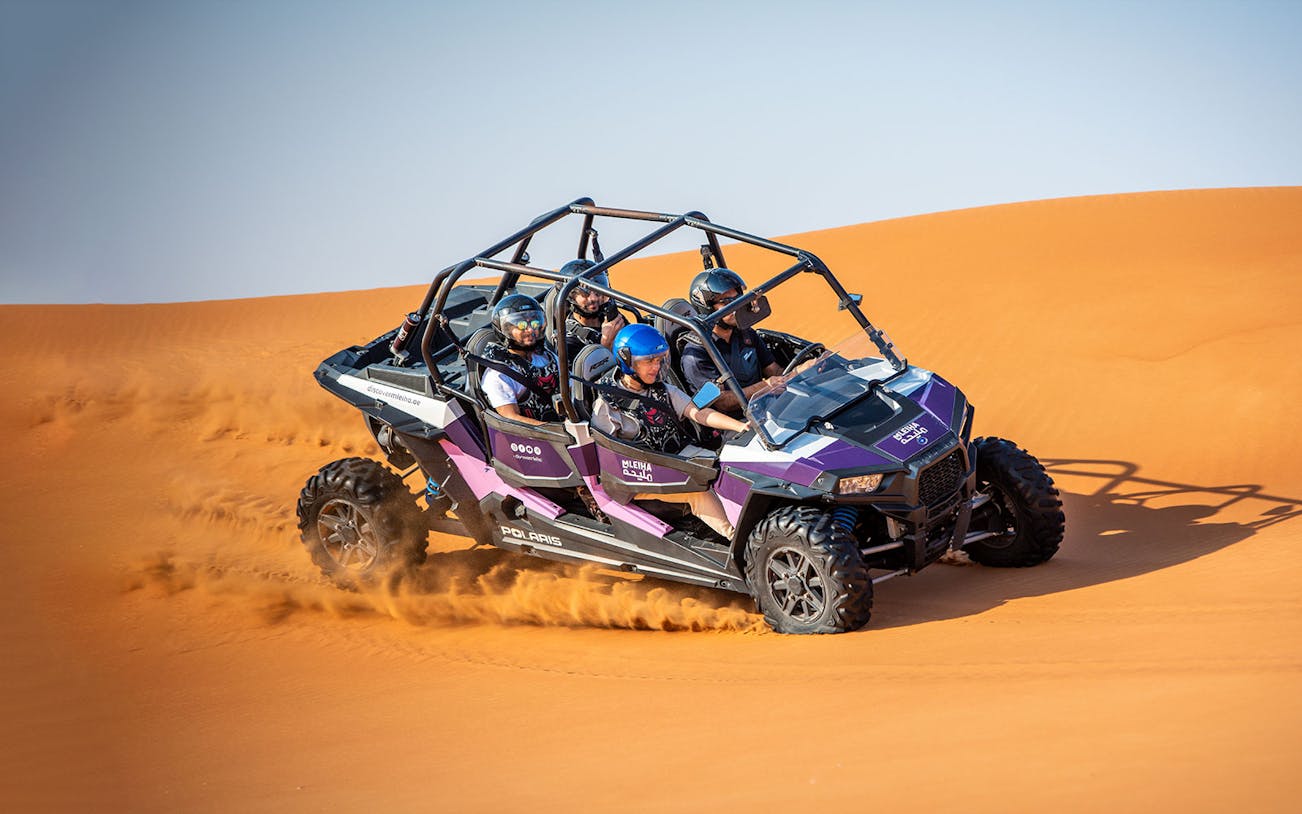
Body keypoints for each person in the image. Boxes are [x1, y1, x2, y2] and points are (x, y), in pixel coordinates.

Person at [591, 324, 748, 540]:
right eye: (648, 361)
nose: (656, 367)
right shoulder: (607, 405)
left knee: (725, 468)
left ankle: (749, 521)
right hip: (637, 477)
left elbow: (698, 413)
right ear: (627, 360)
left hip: (673, 459)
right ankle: (739, 542)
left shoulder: (661, 389)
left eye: (659, 359)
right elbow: (609, 458)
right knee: (698, 491)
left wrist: (740, 426)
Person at [680, 268, 786, 417]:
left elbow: (773, 370)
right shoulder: (696, 355)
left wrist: (804, 371)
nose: (736, 307)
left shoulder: (745, 333)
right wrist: (767, 386)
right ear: (708, 307)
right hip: (737, 427)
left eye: (737, 299)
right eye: (727, 302)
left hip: (766, 408)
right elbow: (723, 402)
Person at [478, 294, 562, 425]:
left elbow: (572, 392)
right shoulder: (499, 374)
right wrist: (559, 432)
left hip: (566, 427)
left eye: (534, 323)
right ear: (506, 330)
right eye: (521, 325)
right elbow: (511, 419)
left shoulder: (548, 357)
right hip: (536, 439)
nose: (530, 329)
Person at [558, 258, 625, 360]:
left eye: (597, 291)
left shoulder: (610, 317)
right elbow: (578, 375)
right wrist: (606, 345)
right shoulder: (567, 341)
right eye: (584, 294)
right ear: (570, 297)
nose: (593, 298)